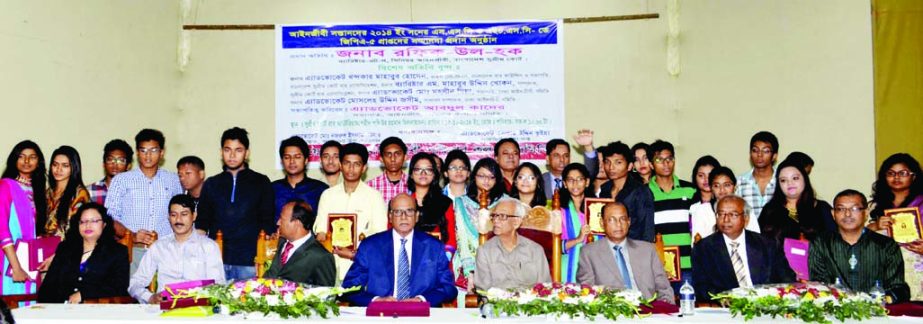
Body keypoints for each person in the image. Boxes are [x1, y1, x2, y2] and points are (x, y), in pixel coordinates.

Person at [342, 194, 457, 306]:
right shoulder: (370, 246)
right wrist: (376, 300)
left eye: (409, 211)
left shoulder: (434, 246)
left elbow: (448, 288)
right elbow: (349, 287)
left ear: (416, 216)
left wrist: (421, 300)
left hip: (421, 314)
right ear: (390, 217)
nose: (403, 217)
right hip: (381, 315)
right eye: (397, 212)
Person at [196, 127, 275, 281]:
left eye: (238, 150)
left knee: (247, 304)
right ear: (221, 152)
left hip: (250, 262)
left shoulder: (261, 182)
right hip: (216, 261)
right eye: (227, 150)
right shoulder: (212, 183)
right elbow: (202, 223)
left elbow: (267, 221)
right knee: (215, 304)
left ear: (247, 153)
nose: (232, 155)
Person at [810, 190, 910, 304]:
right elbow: (818, 284)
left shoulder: (886, 245)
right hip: (835, 311)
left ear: (866, 213)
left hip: (877, 311)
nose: (847, 214)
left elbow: (898, 287)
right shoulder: (821, 243)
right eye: (841, 209)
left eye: (854, 209)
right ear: (833, 214)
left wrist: (880, 300)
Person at [106, 129, 183, 274]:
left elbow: (180, 214)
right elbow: (110, 217)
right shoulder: (121, 180)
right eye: (143, 150)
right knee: (131, 295)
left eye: (153, 150)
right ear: (137, 152)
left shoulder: (172, 180)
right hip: (131, 250)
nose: (148, 155)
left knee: (164, 294)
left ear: (162, 153)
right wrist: (133, 235)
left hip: (166, 251)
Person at [692, 196, 794, 302]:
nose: (726, 219)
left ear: (746, 218)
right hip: (727, 311)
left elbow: (787, 279)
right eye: (721, 214)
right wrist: (722, 298)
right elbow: (701, 286)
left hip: (766, 305)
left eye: (733, 214)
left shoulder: (767, 244)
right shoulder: (703, 249)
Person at [128, 195, 225, 304]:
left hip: (198, 310)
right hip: (164, 309)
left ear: (194, 216)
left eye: (184, 214)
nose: (178, 220)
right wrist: (149, 297)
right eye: (174, 215)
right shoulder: (159, 247)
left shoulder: (209, 247)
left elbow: (218, 285)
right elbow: (135, 283)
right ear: (169, 218)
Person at [314, 143, 388, 283]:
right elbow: (321, 232)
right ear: (341, 165)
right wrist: (329, 245)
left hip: (362, 268)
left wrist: (354, 254)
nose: (351, 169)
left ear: (364, 168)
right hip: (330, 266)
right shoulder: (328, 195)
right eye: (347, 163)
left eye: (356, 164)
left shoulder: (374, 196)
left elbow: (380, 237)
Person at [577, 203, 674, 304]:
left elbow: (664, 289)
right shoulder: (589, 253)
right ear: (602, 223)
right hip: (611, 314)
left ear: (629, 222)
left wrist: (663, 311)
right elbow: (586, 293)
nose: (618, 224)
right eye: (612, 219)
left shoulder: (647, 250)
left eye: (622, 219)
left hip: (648, 311)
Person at [38, 203, 129, 303]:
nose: (87, 225)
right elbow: (48, 287)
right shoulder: (65, 248)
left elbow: (119, 287)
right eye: (83, 221)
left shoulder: (117, 252)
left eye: (94, 221)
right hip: (62, 311)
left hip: (98, 311)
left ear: (104, 224)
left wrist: (84, 294)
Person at [866, 153, 923, 300]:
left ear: (914, 176)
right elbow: (857, 235)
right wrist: (875, 225)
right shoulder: (874, 205)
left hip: (917, 265)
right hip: (885, 268)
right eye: (891, 173)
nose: (896, 177)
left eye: (902, 173)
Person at [647, 140, 696, 291]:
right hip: (658, 266)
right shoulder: (644, 193)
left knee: (689, 308)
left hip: (687, 263)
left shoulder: (690, 190)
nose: (666, 163)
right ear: (650, 164)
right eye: (659, 160)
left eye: (669, 159)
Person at [452, 158, 507, 289]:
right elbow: (462, 238)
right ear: (473, 177)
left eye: (491, 177)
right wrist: (470, 270)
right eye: (482, 176)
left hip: (501, 262)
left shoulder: (506, 202)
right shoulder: (461, 202)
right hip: (467, 261)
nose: (486, 181)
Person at [1, 141, 46, 300]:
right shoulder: (5, 186)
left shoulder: (39, 191)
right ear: (14, 159)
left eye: (32, 157)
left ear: (38, 162)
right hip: (8, 260)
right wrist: (16, 266)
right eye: (22, 156)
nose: (27, 161)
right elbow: (2, 229)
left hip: (31, 261)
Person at [474, 198, 551, 291]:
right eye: (494, 216)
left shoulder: (535, 250)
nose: (495, 220)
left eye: (502, 216)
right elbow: (483, 291)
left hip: (530, 303)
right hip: (497, 303)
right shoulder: (484, 251)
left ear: (516, 222)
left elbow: (544, 287)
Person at [758, 159, 835, 248]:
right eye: (783, 180)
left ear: (805, 179)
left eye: (795, 178)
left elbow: (833, 243)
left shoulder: (822, 208)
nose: (790, 183)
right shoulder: (769, 210)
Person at [263, 200, 335, 286]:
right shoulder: (281, 242)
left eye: (282, 219)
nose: (278, 222)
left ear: (297, 223)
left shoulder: (321, 256)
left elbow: (326, 294)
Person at [597, 142, 655, 243]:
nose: (611, 167)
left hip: (634, 250)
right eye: (607, 162)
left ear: (629, 166)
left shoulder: (640, 191)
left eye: (618, 162)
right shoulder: (604, 190)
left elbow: (647, 230)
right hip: (608, 250)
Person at [691, 167, 759, 243]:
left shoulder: (745, 209)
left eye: (727, 185)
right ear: (711, 188)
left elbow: (757, 241)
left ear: (735, 187)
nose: (722, 190)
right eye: (716, 186)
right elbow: (698, 245)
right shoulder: (702, 211)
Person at [272, 136, 328, 219]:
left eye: (297, 157)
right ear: (281, 161)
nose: (292, 161)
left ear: (306, 160)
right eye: (287, 157)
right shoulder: (272, 189)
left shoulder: (320, 189)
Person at [407, 153, 455, 248]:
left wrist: (445, 258)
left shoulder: (445, 203)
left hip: (438, 257)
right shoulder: (403, 203)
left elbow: (451, 240)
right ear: (411, 174)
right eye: (418, 169)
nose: (423, 173)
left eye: (428, 169)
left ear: (434, 174)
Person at [559, 163, 595, 283]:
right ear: (564, 183)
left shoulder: (597, 208)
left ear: (587, 182)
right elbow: (555, 246)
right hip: (568, 265)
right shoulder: (559, 211)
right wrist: (578, 239)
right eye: (570, 180)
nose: (575, 184)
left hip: (595, 264)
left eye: (579, 179)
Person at [44, 146, 91, 237]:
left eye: (65, 165)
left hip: (68, 247)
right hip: (44, 246)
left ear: (74, 168)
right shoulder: (48, 192)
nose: (58, 169)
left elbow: (79, 229)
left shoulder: (79, 194)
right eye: (55, 164)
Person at [736, 131, 779, 220]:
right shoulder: (739, 182)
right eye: (755, 150)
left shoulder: (782, 181)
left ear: (774, 156)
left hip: (778, 233)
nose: (759, 155)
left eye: (766, 151)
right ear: (750, 154)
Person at [87, 139, 132, 205]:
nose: (115, 164)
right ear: (104, 164)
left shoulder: (135, 191)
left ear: (128, 166)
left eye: (121, 160)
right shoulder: (90, 191)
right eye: (110, 159)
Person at [687, 156, 720, 243]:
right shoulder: (689, 204)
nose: (706, 180)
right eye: (701, 175)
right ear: (695, 177)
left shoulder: (725, 203)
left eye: (710, 175)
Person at [367, 137, 408, 204]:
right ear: (381, 159)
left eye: (397, 154)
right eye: (388, 154)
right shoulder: (370, 186)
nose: (392, 159)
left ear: (405, 157)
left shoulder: (413, 184)